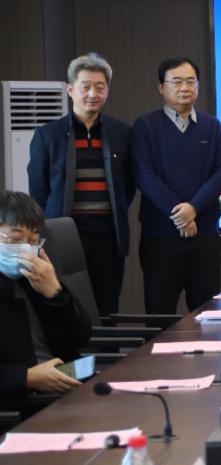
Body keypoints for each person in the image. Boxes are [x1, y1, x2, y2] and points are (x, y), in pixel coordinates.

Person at [27, 52, 135, 316]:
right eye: (85, 86)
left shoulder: (121, 133)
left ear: (107, 90)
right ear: (70, 90)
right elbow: (38, 189)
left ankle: (108, 346)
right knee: (68, 306)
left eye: (100, 87)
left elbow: (129, 184)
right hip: (64, 236)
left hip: (108, 237)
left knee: (107, 307)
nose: (92, 94)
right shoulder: (48, 135)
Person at [131, 57, 221, 314]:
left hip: (204, 235)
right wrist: (180, 214)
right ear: (161, 87)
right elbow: (144, 175)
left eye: (190, 81)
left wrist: (193, 209)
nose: (185, 88)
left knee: (207, 314)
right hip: (160, 237)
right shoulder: (145, 125)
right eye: (176, 82)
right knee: (159, 313)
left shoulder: (211, 125)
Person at [0, 191, 91, 400]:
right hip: (25, 400)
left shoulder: (34, 276)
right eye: (15, 239)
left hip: (70, 382)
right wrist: (26, 378)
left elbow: (80, 337)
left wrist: (55, 294)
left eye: (33, 241)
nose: (26, 249)